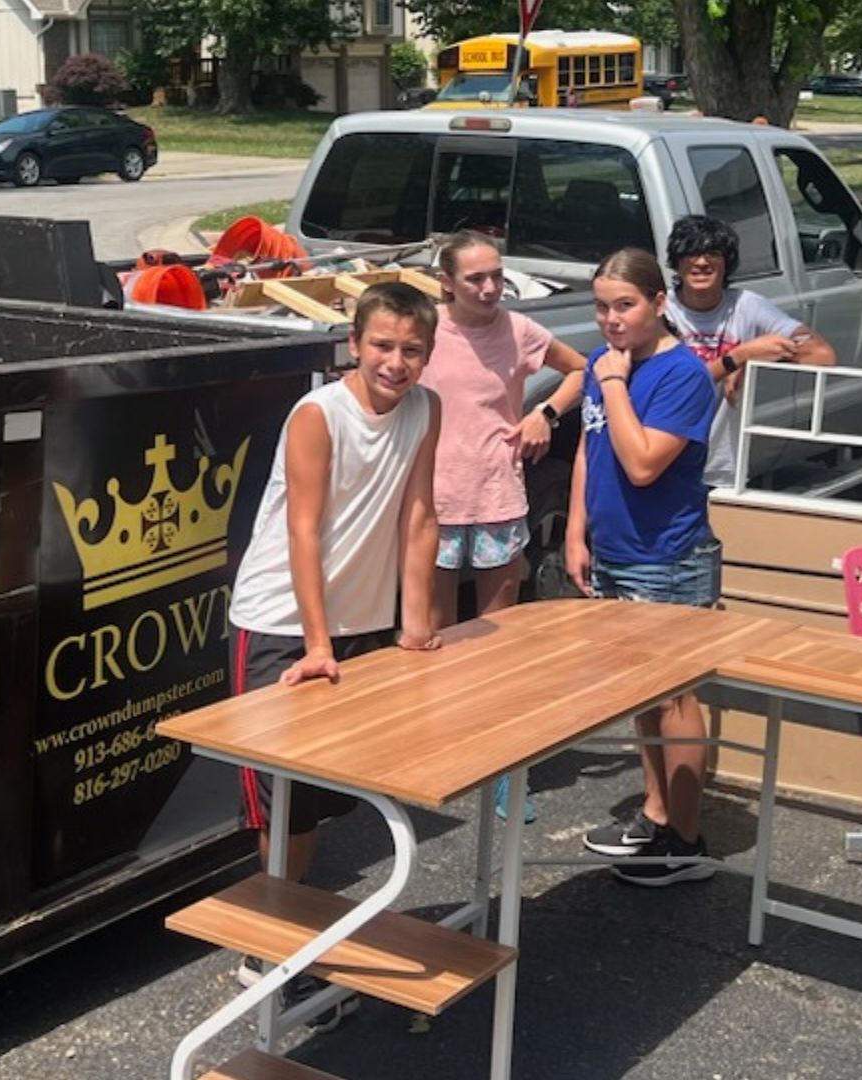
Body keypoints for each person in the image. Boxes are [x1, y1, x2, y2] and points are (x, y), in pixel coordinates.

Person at [225, 281, 442, 1017]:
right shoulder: (318, 414)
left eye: (412, 350)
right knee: (281, 802)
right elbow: (303, 530)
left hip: (362, 620)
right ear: (355, 344)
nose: (395, 362)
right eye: (382, 345)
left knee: (317, 799)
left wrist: (416, 624)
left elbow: (419, 516)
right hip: (283, 619)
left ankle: (294, 932)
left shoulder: (424, 410)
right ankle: (268, 950)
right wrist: (316, 642)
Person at [565, 248, 722, 886]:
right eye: (601, 307)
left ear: (660, 303)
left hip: (669, 560)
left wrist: (611, 382)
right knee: (642, 698)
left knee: (675, 697)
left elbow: (642, 462)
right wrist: (576, 531)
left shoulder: (681, 375)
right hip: (616, 554)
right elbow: (591, 446)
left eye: (625, 305)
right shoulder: (611, 367)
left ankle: (685, 840)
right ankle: (656, 813)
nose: (611, 320)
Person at [421, 231, 585, 822]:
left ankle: (503, 770)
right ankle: (437, 754)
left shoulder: (519, 331)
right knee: (431, 639)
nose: (490, 288)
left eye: (496, 275)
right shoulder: (426, 330)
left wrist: (544, 412)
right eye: (475, 279)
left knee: (500, 643)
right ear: (446, 283)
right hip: (431, 505)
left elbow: (579, 371)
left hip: (495, 498)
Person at [665, 215, 836, 489]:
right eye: (691, 253)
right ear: (676, 260)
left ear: (727, 263)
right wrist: (738, 357)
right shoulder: (661, 310)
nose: (701, 262)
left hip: (719, 468)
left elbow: (822, 355)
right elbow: (681, 387)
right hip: (663, 461)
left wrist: (756, 358)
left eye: (713, 254)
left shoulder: (747, 306)